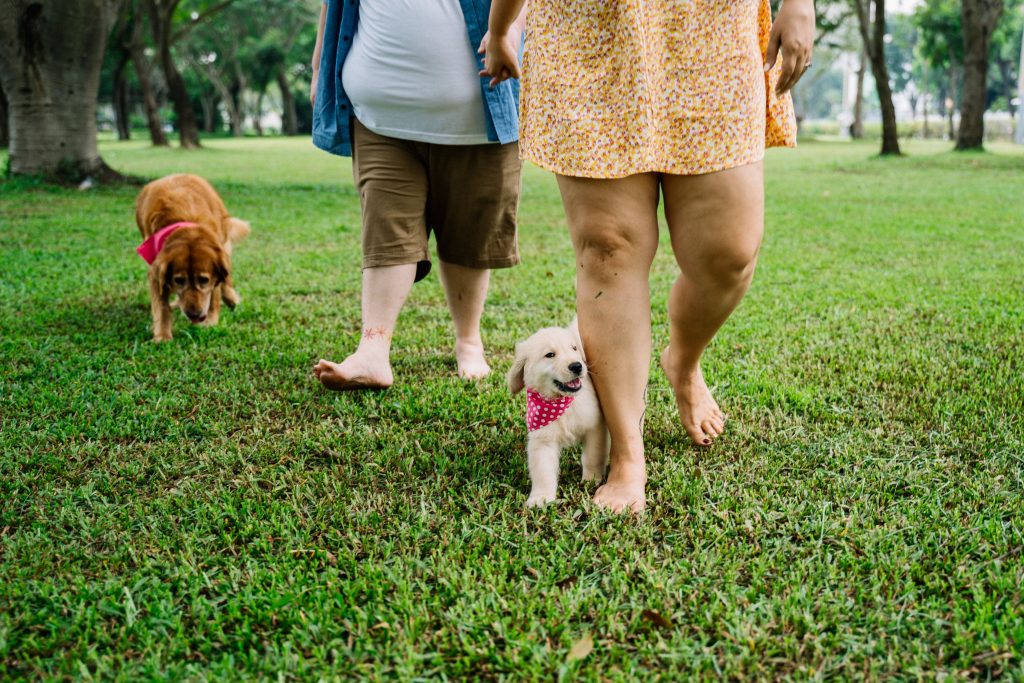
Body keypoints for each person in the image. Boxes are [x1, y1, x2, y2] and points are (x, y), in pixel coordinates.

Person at [485, 0, 815, 512]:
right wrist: (502, 25)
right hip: (590, 31)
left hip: (708, 29)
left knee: (728, 253)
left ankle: (682, 361)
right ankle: (628, 457)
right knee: (606, 250)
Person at [310, 0, 527, 390]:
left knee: (470, 235)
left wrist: (506, 33)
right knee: (386, 224)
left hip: (480, 115)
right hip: (380, 118)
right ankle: (373, 350)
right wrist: (318, 69)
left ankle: (468, 340)